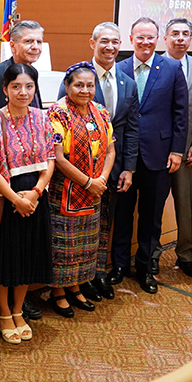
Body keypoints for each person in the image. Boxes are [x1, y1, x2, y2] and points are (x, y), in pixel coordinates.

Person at [56, 22, 140, 302]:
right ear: (92, 42)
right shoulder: (66, 96)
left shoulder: (124, 85)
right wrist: (88, 180)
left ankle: (92, 277)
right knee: (69, 237)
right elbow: (57, 145)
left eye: (116, 42)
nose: (110, 47)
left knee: (98, 231)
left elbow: (127, 130)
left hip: (106, 174)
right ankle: (68, 286)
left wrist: (121, 169)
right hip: (71, 179)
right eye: (104, 41)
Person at [0, 20, 46, 321]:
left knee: (27, 247)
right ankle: (7, 310)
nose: (35, 47)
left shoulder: (38, 77)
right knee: (7, 250)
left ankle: (21, 301)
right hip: (1, 179)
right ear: (12, 44)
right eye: (28, 41)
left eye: (39, 42)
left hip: (33, 180)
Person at [113, 17, 188, 294]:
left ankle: (145, 268)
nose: (145, 42)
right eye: (140, 37)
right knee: (122, 214)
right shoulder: (119, 68)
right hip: (125, 158)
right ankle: (119, 265)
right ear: (131, 39)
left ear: (158, 39)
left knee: (151, 216)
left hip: (159, 156)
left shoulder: (171, 67)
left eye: (151, 37)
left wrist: (177, 150)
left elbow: (181, 113)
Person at [0, 63, 54, 344]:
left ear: (35, 89)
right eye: (16, 86)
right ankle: (3, 312)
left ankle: (17, 310)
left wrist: (35, 193)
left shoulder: (42, 118)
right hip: (6, 198)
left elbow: (50, 160)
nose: (22, 92)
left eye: (28, 86)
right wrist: (16, 199)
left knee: (27, 255)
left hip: (35, 195)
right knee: (5, 257)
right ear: (4, 89)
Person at [45, 62, 115, 317]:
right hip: (65, 190)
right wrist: (88, 182)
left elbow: (110, 149)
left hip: (95, 191)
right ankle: (58, 292)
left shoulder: (101, 112)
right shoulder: (57, 113)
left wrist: (102, 180)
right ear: (67, 86)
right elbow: (59, 158)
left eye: (90, 85)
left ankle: (75, 286)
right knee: (65, 244)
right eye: (79, 85)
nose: (85, 90)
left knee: (85, 244)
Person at [150, 18, 192, 277]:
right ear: (165, 39)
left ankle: (186, 255)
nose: (180, 38)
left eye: (185, 34)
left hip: (188, 150)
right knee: (154, 206)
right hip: (158, 148)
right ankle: (152, 254)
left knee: (186, 205)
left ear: (190, 39)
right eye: (174, 33)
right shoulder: (154, 65)